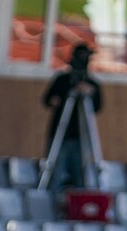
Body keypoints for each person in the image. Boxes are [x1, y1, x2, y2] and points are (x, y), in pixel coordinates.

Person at [42, 43, 103, 192]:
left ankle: (78, 206)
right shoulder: (62, 80)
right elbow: (48, 100)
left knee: (80, 175)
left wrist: (90, 93)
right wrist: (70, 92)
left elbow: (97, 107)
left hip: (81, 138)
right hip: (60, 134)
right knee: (55, 172)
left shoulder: (92, 84)